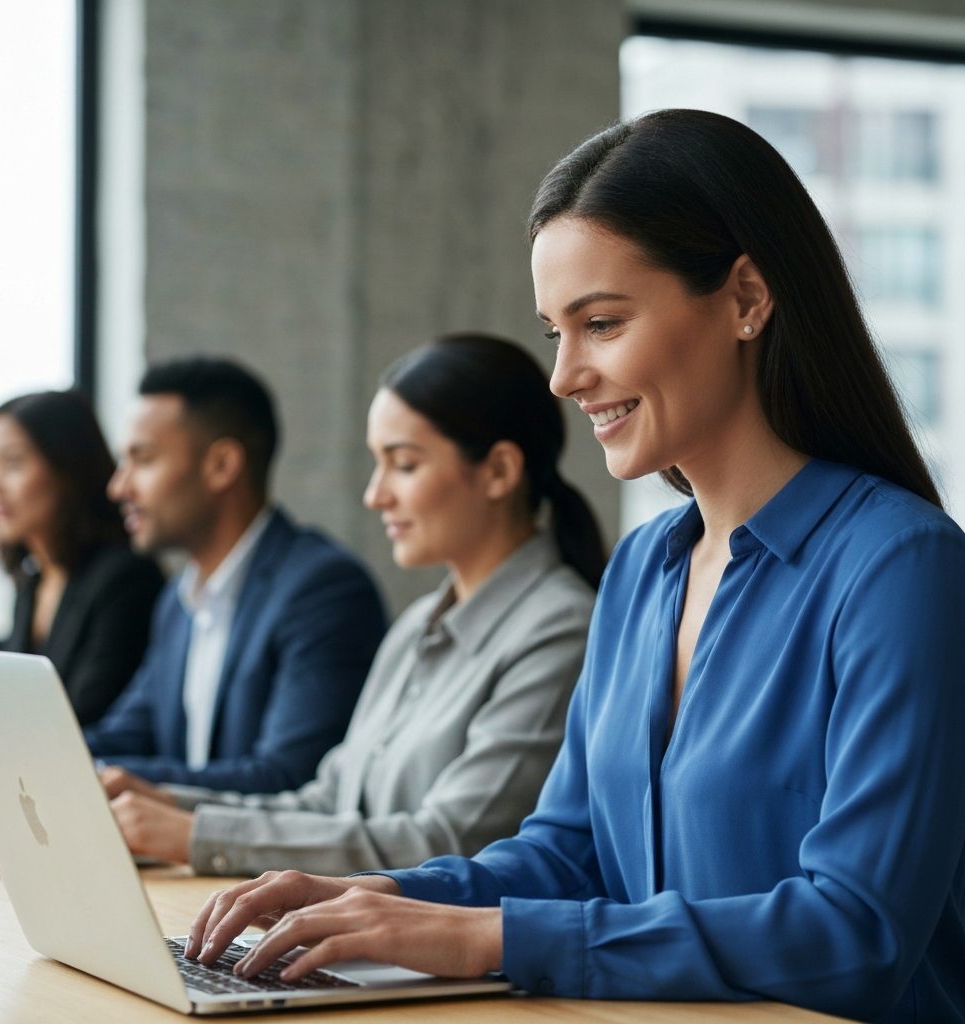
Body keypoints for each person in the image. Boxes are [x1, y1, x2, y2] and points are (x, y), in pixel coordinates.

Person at [186, 111, 965, 1024]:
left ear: (747, 299)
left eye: (600, 323)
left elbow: (856, 931)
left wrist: (494, 940)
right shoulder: (642, 570)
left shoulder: (902, 570)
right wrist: (378, 898)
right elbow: (571, 850)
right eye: (556, 331)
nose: (564, 377)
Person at [102, 334, 602, 875]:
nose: (375, 495)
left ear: (500, 472)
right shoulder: (414, 628)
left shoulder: (560, 630)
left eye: (404, 465)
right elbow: (326, 803)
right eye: (376, 463)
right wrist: (169, 806)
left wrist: (198, 834)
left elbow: (449, 840)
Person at [86, 357, 387, 795]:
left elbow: (287, 777)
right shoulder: (178, 599)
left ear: (222, 465)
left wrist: (110, 779)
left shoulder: (324, 589)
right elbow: (127, 734)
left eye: (143, 460)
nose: (119, 487)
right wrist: (15, 754)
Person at [0, 390, 165, 792]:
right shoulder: (33, 583)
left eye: (12, 463)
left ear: (68, 467)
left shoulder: (126, 579)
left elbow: (90, 718)